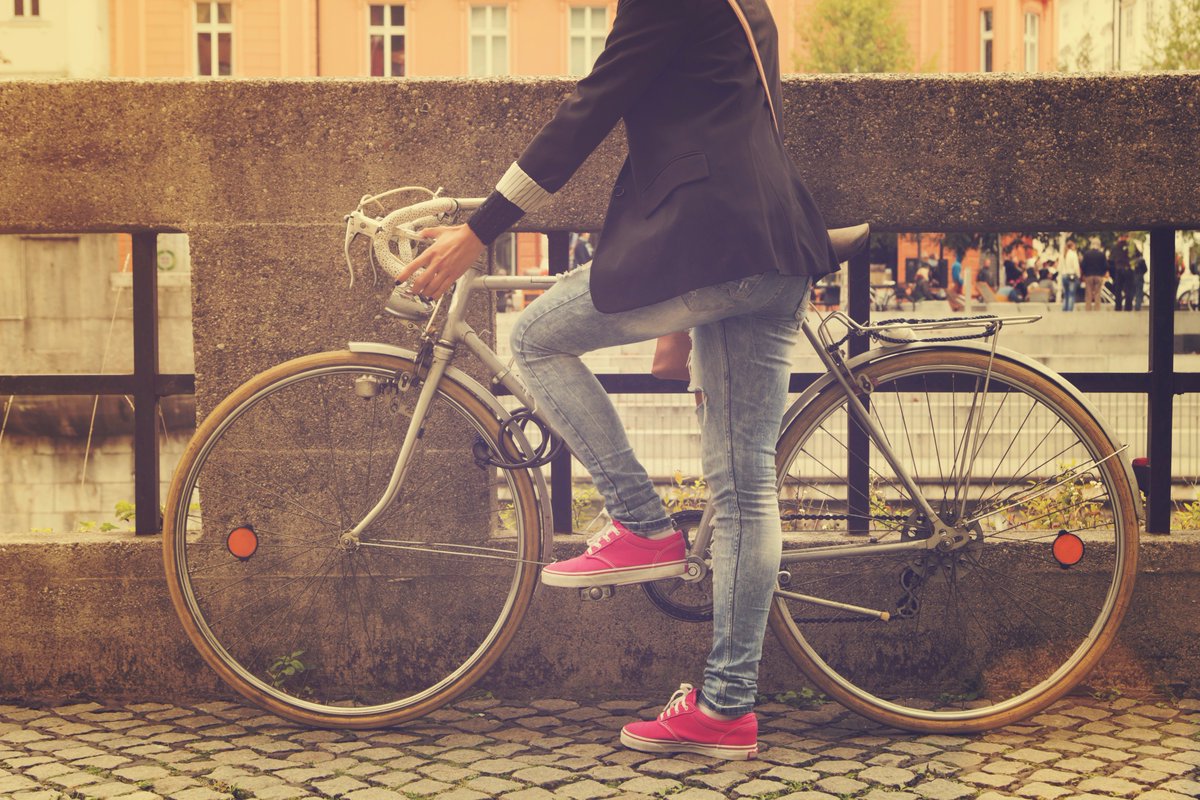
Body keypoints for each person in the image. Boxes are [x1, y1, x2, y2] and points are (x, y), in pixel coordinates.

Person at [396, 0, 838, 760]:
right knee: (744, 489)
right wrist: (679, 324)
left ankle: (641, 521)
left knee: (534, 337)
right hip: (774, 245)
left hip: (713, 243)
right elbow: (723, 120)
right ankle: (726, 709)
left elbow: (588, 111)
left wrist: (480, 232)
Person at [1080, 237, 1108, 311]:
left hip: (1089, 275)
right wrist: (1102, 273)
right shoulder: (1101, 254)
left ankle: (1088, 309)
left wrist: (1085, 273)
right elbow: (1105, 266)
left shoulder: (1087, 254)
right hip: (1099, 276)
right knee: (1097, 293)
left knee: (1088, 293)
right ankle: (1097, 309)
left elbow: (1083, 265)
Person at [1109, 234, 1133, 311]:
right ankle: (1128, 307)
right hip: (1128, 269)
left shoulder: (1115, 247)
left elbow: (1111, 260)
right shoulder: (1130, 246)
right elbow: (1137, 257)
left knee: (1118, 289)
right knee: (1128, 289)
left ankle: (1118, 307)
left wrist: (1112, 273)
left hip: (1118, 269)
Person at [1060, 240, 1081, 311]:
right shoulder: (1073, 254)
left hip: (1064, 276)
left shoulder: (1063, 254)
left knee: (1066, 294)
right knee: (1071, 294)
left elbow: (1060, 267)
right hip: (1071, 276)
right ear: (1072, 246)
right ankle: (1069, 310)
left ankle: (1064, 308)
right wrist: (1078, 275)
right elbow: (1076, 266)